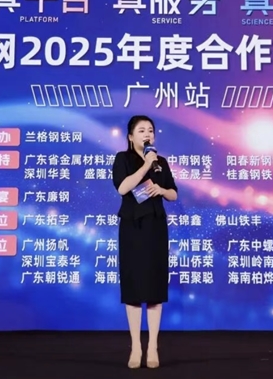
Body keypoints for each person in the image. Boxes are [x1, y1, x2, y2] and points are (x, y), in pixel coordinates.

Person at [112, 115, 178, 369]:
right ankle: (135, 347)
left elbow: (173, 193)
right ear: (130, 137)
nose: (147, 134)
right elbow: (123, 188)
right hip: (132, 228)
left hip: (155, 228)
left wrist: (162, 190)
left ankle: (152, 346)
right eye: (141, 130)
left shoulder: (161, 162)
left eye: (150, 130)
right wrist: (145, 165)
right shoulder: (123, 159)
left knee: (153, 288)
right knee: (133, 287)